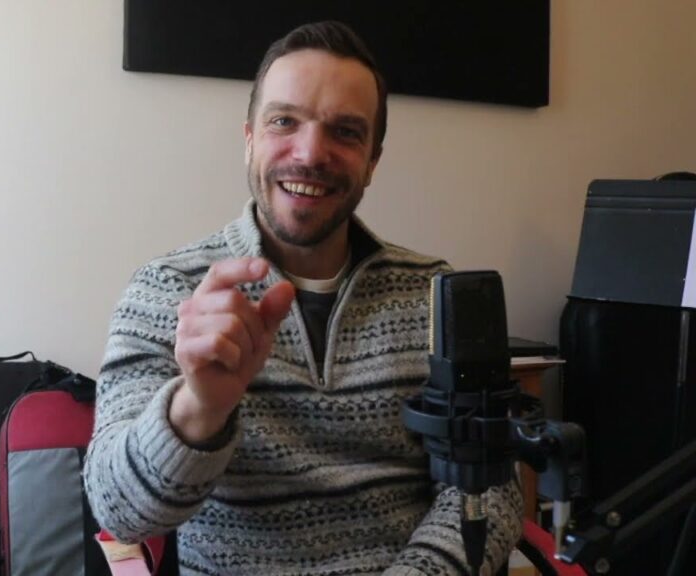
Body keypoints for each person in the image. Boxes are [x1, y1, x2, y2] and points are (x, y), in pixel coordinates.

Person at [83, 21, 522, 576]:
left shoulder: (434, 293)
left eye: (345, 131)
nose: (311, 152)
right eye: (283, 121)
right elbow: (120, 512)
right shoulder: (168, 290)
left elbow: (491, 490)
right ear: (249, 138)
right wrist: (199, 409)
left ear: (372, 161)